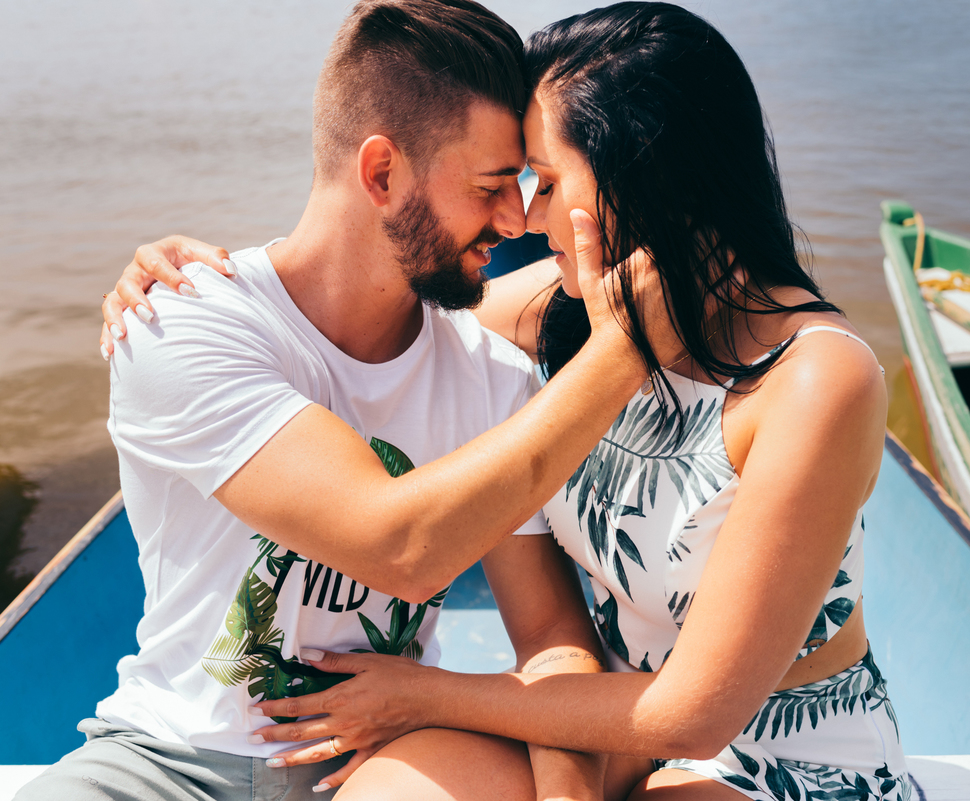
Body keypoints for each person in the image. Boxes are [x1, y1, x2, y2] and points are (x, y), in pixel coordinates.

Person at [102, 4, 913, 801]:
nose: (524, 215)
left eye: (546, 182)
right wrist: (182, 290)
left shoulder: (814, 377)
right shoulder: (563, 310)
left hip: (771, 754)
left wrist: (424, 694)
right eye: (512, 181)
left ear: (644, 181)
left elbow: (690, 715)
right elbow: (367, 305)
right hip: (608, 734)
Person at [28, 2, 663, 800]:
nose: (516, 219)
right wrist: (624, 353)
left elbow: (550, 640)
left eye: (525, 184)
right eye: (491, 186)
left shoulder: (495, 380)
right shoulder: (179, 322)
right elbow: (397, 544)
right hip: (166, 762)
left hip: (387, 759)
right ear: (381, 174)